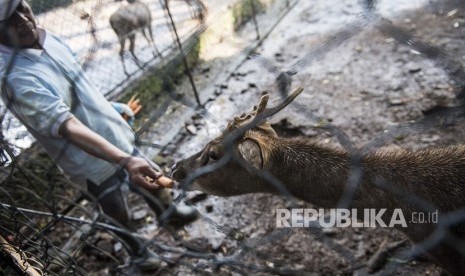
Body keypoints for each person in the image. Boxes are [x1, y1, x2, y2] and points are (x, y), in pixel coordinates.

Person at [0, 0, 198, 271]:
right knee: (116, 209)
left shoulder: (48, 37)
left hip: (116, 134)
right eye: (8, 19)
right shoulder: (14, 78)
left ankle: (168, 213)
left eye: (22, 7)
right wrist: (125, 162)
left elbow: (81, 85)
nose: (22, 19)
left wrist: (113, 109)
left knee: (151, 177)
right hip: (88, 162)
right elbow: (66, 125)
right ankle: (140, 254)